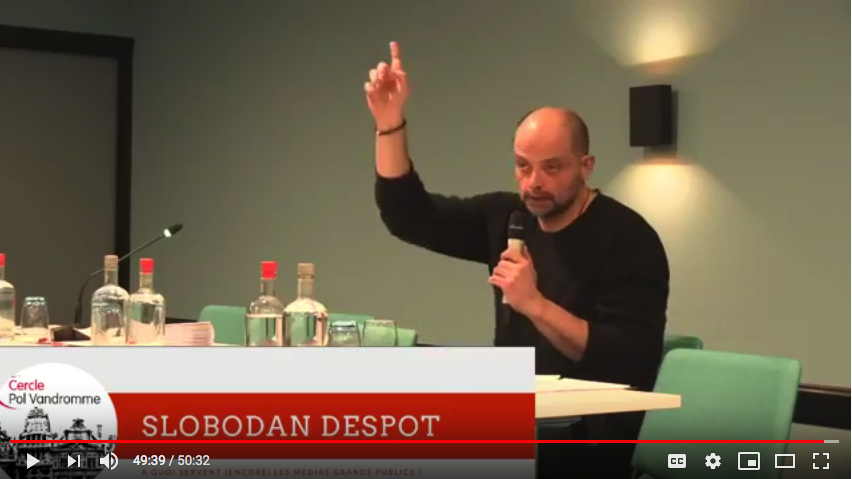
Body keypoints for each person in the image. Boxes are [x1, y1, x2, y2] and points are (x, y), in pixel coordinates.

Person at [364, 41, 669, 477]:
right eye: (524, 166)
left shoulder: (628, 238)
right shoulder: (508, 217)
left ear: (586, 166)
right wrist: (389, 124)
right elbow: (409, 217)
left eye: (552, 168)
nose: (534, 183)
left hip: (589, 439)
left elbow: (626, 360)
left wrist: (534, 304)